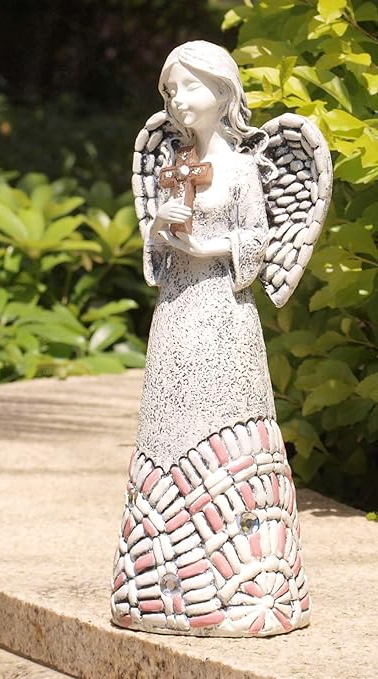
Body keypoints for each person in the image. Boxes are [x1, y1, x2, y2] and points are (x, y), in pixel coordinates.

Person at [111, 41, 310, 637]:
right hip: (175, 311)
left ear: (224, 93)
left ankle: (249, 586)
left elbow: (257, 241)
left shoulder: (244, 168)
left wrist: (207, 246)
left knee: (226, 421)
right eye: (170, 91)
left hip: (223, 313)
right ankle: (156, 587)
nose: (178, 101)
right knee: (168, 424)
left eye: (191, 87)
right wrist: (161, 229)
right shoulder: (173, 165)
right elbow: (156, 251)